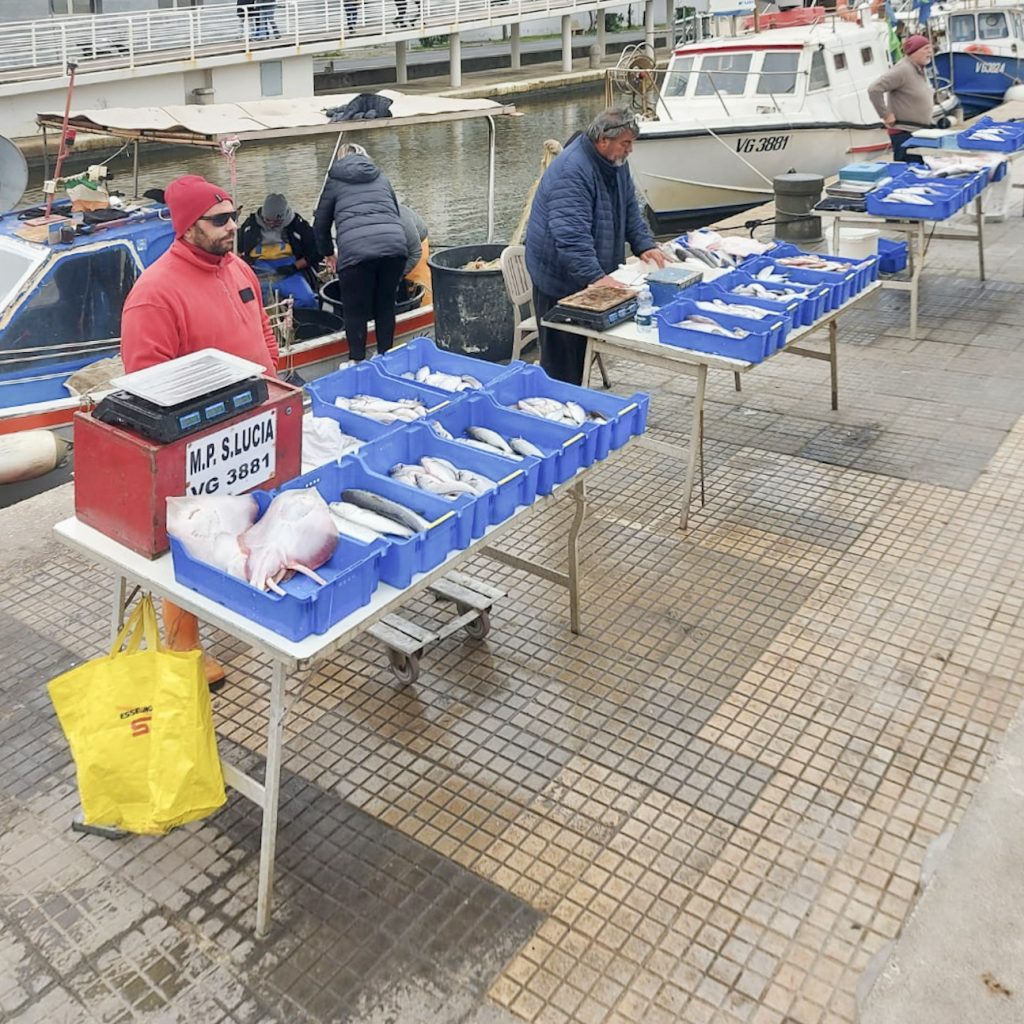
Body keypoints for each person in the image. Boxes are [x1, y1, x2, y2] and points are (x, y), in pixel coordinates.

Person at [121, 174, 280, 689]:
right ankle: (184, 644)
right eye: (218, 220)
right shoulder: (154, 295)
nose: (232, 226)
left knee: (251, 520)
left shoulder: (237, 267)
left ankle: (251, 595)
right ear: (188, 227)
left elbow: (262, 334)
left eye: (233, 215)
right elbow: (145, 386)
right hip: (197, 442)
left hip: (255, 424)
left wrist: (280, 385)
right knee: (188, 535)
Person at [525, 108, 668, 385]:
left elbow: (630, 209)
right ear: (603, 140)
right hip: (558, 279)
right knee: (562, 364)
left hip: (585, 275)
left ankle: (578, 399)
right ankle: (558, 412)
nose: (630, 150)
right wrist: (597, 278)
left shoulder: (615, 163)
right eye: (626, 143)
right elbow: (571, 236)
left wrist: (644, 245)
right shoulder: (572, 170)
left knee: (582, 351)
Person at [313, 143, 409, 361]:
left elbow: (320, 225)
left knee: (354, 312)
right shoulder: (381, 178)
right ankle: (385, 357)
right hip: (394, 248)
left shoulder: (335, 180)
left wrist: (328, 253)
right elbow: (395, 212)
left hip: (356, 253)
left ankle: (357, 361)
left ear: (340, 159)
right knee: (386, 306)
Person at [239, 193, 322, 310]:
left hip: (289, 270)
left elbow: (316, 253)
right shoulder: (250, 225)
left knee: (307, 299)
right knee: (254, 304)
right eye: (267, 220)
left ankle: (295, 318)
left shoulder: (298, 226)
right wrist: (244, 261)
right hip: (259, 270)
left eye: (276, 222)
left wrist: (294, 267)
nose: (271, 225)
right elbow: (236, 249)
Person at [867, 34, 935, 163]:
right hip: (904, 134)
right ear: (914, 52)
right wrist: (885, 114)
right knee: (909, 170)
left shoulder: (920, 69)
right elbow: (874, 89)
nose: (930, 52)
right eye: (926, 48)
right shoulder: (903, 70)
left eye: (930, 48)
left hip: (919, 132)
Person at [398, 200, 431, 305]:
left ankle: (426, 309)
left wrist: (398, 275)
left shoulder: (401, 217)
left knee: (419, 283)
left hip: (416, 247)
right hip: (393, 247)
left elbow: (416, 252)